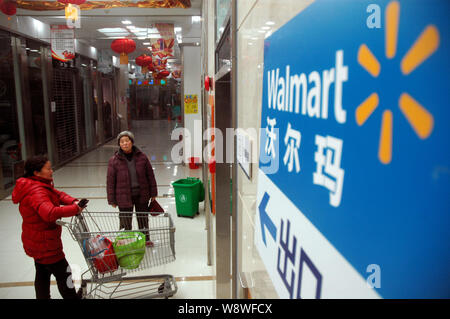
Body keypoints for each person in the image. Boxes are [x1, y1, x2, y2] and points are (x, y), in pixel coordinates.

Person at [12, 155, 86, 299]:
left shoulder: (35, 184)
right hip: (46, 243)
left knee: (42, 272)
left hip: (36, 240)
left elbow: (56, 195)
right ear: (36, 172)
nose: (52, 171)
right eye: (48, 168)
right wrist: (75, 209)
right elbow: (50, 213)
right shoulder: (37, 191)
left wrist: (73, 201)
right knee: (65, 274)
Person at [107, 131, 157, 246]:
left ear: (132, 142)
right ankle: (127, 241)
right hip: (123, 196)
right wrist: (112, 200)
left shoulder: (142, 157)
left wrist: (153, 192)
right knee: (125, 220)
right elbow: (110, 181)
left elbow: (150, 176)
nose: (125, 143)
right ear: (119, 144)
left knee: (143, 218)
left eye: (127, 141)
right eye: (122, 141)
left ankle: (145, 239)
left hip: (141, 194)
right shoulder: (114, 161)